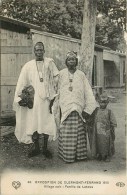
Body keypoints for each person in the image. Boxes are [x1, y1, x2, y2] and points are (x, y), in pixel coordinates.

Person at [13, 42, 59, 158]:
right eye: (37, 50)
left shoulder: (50, 63)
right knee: (34, 123)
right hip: (33, 101)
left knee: (46, 122)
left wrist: (54, 95)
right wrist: (21, 96)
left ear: (44, 51)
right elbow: (22, 82)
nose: (39, 52)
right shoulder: (28, 66)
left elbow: (57, 78)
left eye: (41, 50)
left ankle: (45, 149)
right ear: (34, 52)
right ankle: (36, 148)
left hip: (46, 99)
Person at [58, 51, 97, 163]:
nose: (71, 61)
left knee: (79, 132)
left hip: (78, 107)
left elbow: (87, 91)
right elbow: (57, 89)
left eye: (73, 59)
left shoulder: (81, 75)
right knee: (66, 132)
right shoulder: (61, 74)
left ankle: (80, 156)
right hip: (66, 107)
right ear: (66, 62)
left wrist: (89, 108)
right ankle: (67, 156)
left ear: (76, 62)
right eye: (69, 59)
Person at [88, 93, 117, 162]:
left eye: (104, 103)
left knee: (105, 143)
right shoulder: (96, 111)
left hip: (106, 131)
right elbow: (92, 119)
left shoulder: (109, 112)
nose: (102, 104)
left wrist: (112, 127)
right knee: (98, 142)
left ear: (107, 103)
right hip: (97, 131)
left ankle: (106, 155)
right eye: (101, 102)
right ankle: (100, 155)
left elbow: (113, 121)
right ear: (98, 102)